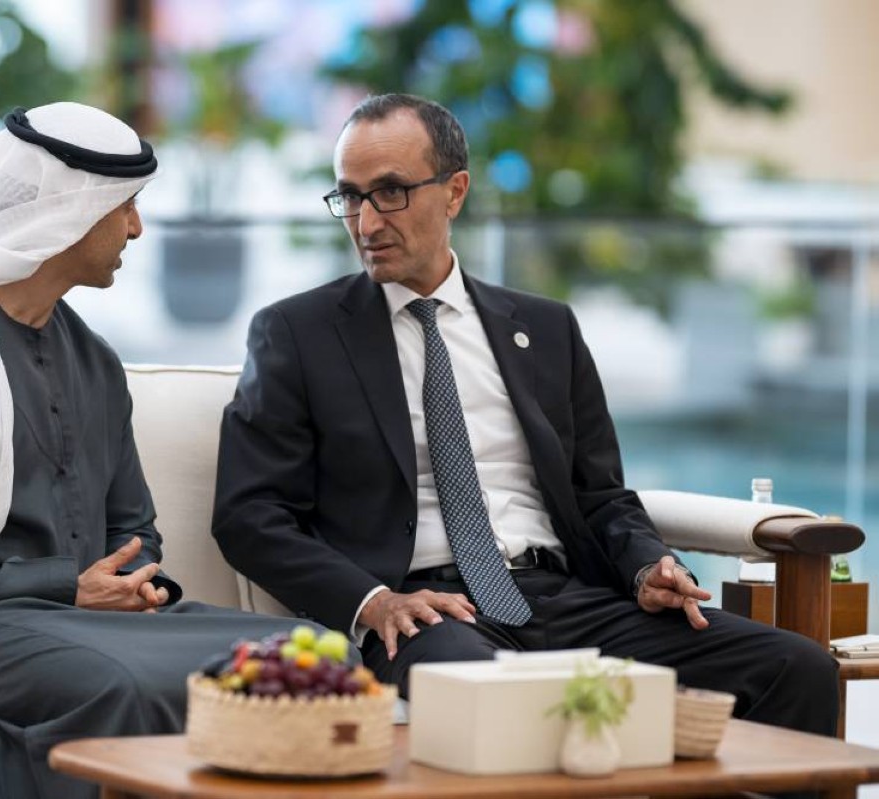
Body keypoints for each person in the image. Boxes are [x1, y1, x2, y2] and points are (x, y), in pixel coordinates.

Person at [212, 93, 837, 741]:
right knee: (505, 706)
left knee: (798, 667)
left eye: (391, 192)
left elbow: (601, 494)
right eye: (350, 195)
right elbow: (249, 513)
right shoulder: (296, 334)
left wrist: (648, 565)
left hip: (562, 594)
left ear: (455, 192)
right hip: (422, 613)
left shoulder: (544, 328)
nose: (367, 222)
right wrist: (375, 602)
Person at [0, 102, 303, 799]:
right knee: (119, 685)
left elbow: (134, 527)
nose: (137, 228)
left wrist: (131, 584)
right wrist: (68, 587)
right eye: (127, 207)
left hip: (86, 621)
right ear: (70, 209)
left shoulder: (96, 361)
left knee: (304, 654)